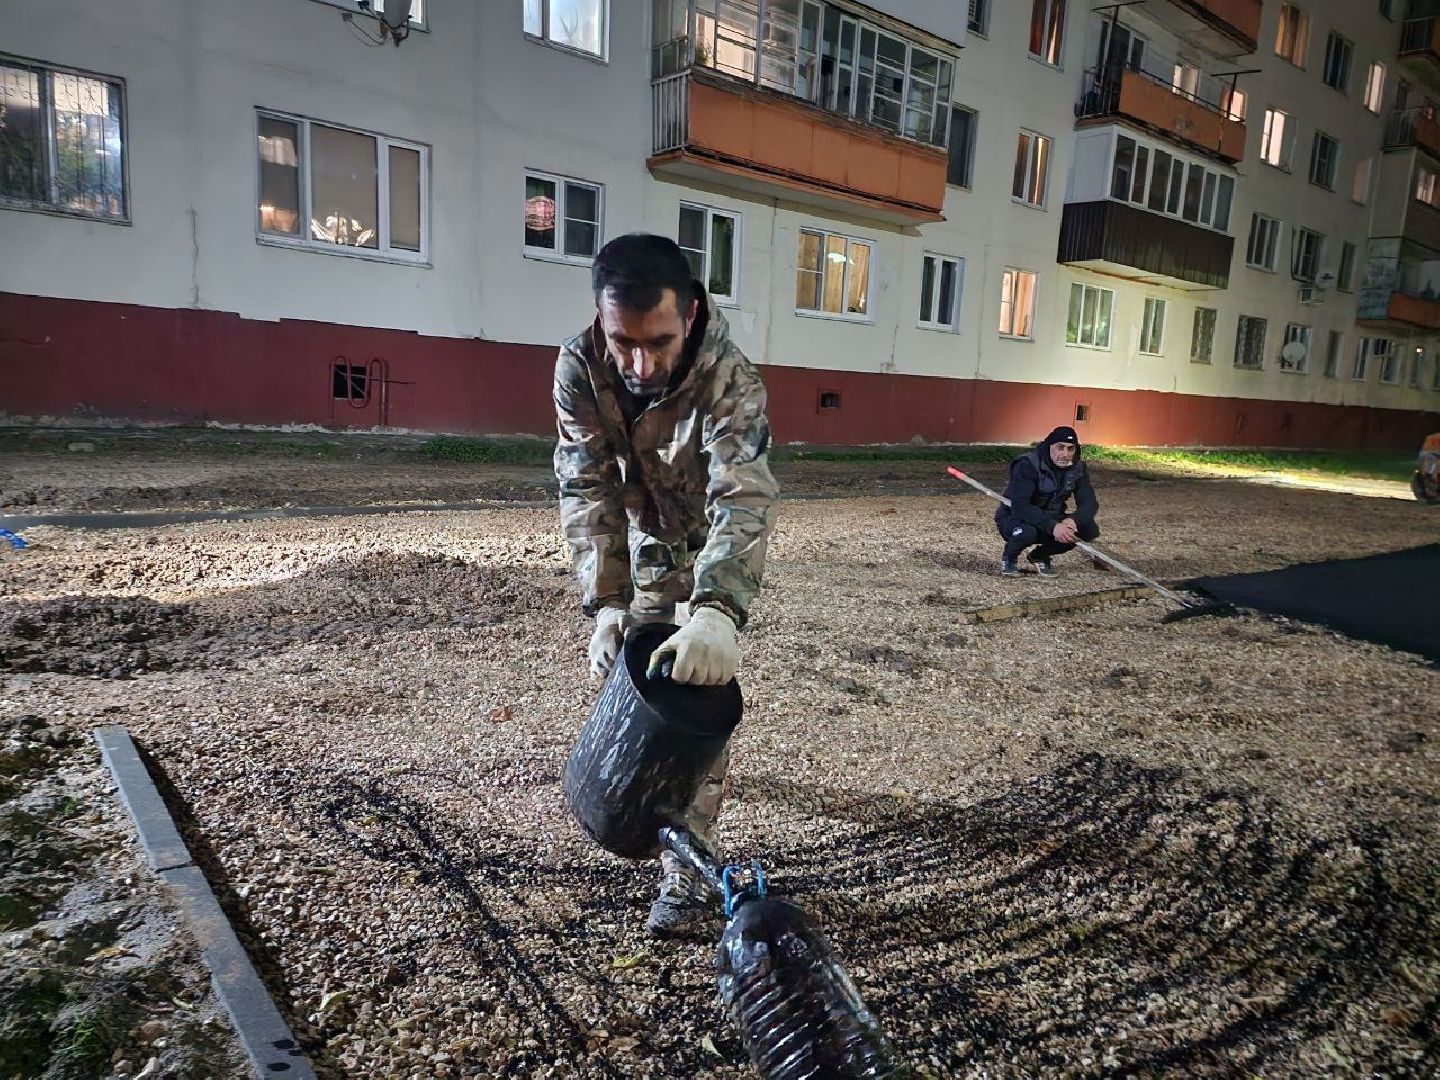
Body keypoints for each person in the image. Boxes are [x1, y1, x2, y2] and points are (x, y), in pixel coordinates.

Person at [553, 232, 779, 936]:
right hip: (650, 538)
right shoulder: (581, 367)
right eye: (624, 342)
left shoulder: (729, 378)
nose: (639, 363)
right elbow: (585, 486)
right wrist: (606, 604)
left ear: (690, 313)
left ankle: (688, 875)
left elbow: (741, 497)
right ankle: (625, 798)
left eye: (657, 341)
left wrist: (716, 611)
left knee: (695, 699)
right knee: (641, 684)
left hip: (710, 538)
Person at [995, 425, 1099, 576]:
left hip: (1052, 515)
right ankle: (1009, 558)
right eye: (1060, 448)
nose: (1065, 454)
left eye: (1071, 449)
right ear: (1050, 446)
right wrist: (1053, 526)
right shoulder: (1027, 465)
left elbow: (1089, 503)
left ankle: (1040, 555)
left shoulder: (1078, 468)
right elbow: (1021, 506)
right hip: (1017, 517)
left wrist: (1073, 521)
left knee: (1087, 529)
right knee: (1027, 532)